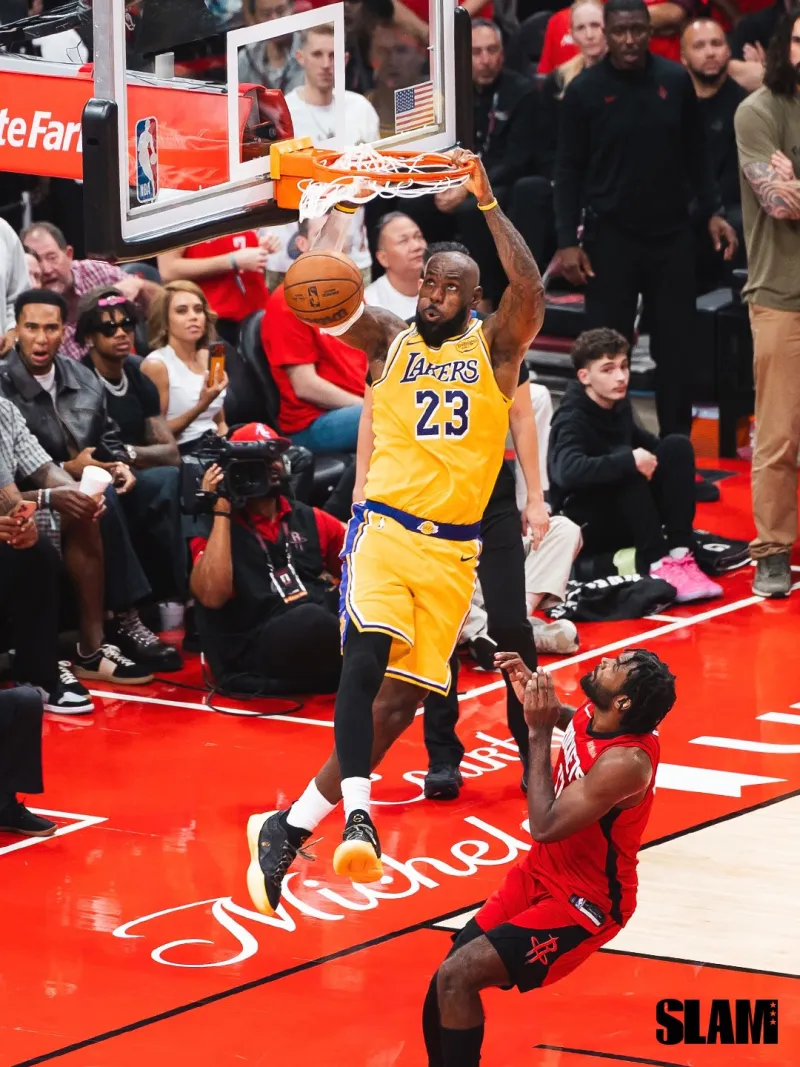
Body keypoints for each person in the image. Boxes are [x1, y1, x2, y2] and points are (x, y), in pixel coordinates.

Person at [245, 150, 545, 916]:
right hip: (385, 529)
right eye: (429, 281)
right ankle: (358, 814)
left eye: (451, 286)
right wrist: (336, 210)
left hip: (453, 551)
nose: (434, 293)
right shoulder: (386, 338)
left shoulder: (497, 349)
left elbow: (531, 288)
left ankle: (287, 826)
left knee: (397, 707)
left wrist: (486, 202)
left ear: (474, 299)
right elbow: (314, 289)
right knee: (366, 656)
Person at [422, 649, 676, 1067]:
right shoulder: (599, 714)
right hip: (539, 872)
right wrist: (544, 707)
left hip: (584, 903)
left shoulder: (627, 763)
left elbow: (544, 824)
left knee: (458, 976)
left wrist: (537, 731)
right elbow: (575, 725)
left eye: (616, 666)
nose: (606, 661)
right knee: (445, 982)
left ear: (623, 702)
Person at [554, 0, 738, 440]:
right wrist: (567, 241)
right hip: (610, 237)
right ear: (606, 33)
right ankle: (609, 451)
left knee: (677, 352)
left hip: (672, 236)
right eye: (620, 31)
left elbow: (697, 153)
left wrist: (713, 211)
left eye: (638, 29)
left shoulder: (674, 80)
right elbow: (567, 170)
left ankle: (676, 454)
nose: (629, 39)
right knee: (606, 351)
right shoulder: (585, 90)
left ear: (650, 31)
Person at [548, 328, 723, 601]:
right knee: (627, 464)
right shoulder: (572, 418)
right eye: (608, 370)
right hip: (586, 524)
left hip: (622, 512)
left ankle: (679, 551)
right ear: (584, 377)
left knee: (676, 446)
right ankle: (657, 562)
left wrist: (678, 474)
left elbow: (654, 449)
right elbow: (567, 471)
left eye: (624, 366)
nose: (620, 377)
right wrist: (629, 461)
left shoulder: (617, 404)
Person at [189, 423, 345, 693]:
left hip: (311, 625)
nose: (272, 465)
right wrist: (221, 510)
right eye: (259, 460)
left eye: (275, 456)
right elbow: (212, 596)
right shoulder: (213, 526)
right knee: (312, 620)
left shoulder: (309, 517)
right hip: (255, 641)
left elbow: (362, 569)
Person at [734, 6, 800, 597]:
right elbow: (778, 204)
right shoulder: (759, 111)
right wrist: (789, 187)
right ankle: (773, 550)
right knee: (778, 436)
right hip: (783, 295)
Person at [77, 288, 187, 619]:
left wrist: (128, 452)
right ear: (89, 337)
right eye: (108, 328)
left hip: (136, 472)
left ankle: (187, 596)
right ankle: (137, 608)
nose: (121, 333)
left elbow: (170, 452)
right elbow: (90, 449)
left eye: (126, 324)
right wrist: (126, 460)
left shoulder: (139, 378)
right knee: (164, 480)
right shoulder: (80, 380)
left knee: (185, 476)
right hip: (99, 476)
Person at [142, 281, 229, 455]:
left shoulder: (208, 357)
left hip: (215, 446)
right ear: (165, 321)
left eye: (198, 310)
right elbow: (156, 436)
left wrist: (225, 440)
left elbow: (219, 421)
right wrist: (202, 404)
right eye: (182, 311)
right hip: (184, 452)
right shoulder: (157, 365)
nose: (193, 317)